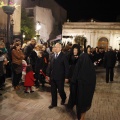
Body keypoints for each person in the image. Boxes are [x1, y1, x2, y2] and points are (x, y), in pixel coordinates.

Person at [69, 53, 96, 120]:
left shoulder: (79, 66)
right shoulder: (91, 68)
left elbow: (74, 79)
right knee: (84, 105)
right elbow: (94, 80)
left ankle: (80, 118)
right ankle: (82, 117)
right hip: (88, 92)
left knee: (80, 105)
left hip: (80, 91)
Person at [46, 43, 69, 109]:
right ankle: (54, 104)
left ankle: (64, 97)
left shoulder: (64, 56)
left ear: (60, 48)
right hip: (53, 76)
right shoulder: (52, 56)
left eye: (56, 47)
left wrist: (66, 77)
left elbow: (66, 67)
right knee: (53, 91)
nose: (55, 48)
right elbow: (50, 66)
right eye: (55, 47)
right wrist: (48, 74)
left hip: (60, 77)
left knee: (60, 90)